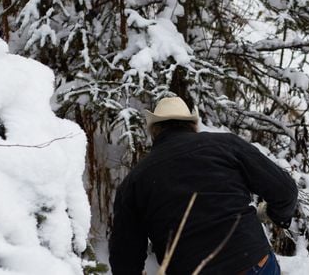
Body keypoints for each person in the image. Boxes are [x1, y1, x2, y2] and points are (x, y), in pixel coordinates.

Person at [109, 97, 298, 275]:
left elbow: (125, 256)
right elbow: (285, 191)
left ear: (154, 132)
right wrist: (275, 215)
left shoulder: (135, 180)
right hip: (250, 263)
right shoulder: (225, 145)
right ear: (193, 124)